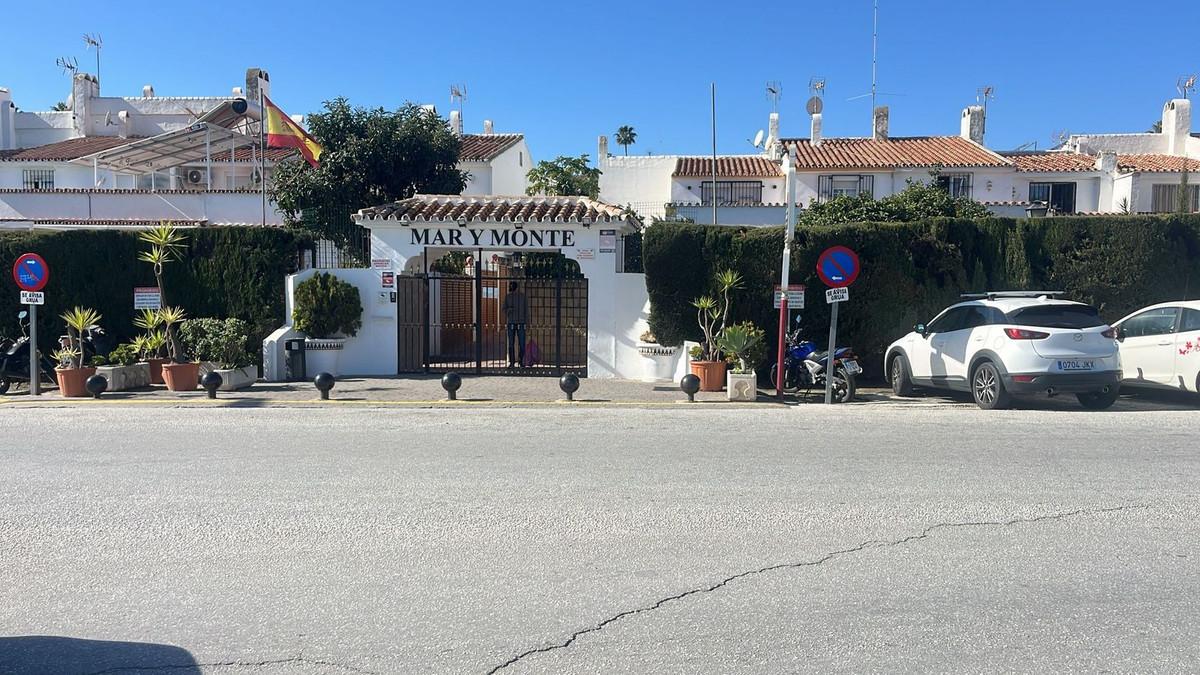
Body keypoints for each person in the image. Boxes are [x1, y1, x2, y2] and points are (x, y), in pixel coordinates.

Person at [502, 281, 528, 368]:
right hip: (512, 322)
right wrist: (509, 310)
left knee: (520, 343)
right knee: (512, 343)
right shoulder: (508, 297)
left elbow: (526, 310)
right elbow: (504, 309)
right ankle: (514, 362)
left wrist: (527, 322)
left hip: (519, 322)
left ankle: (520, 362)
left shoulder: (522, 297)